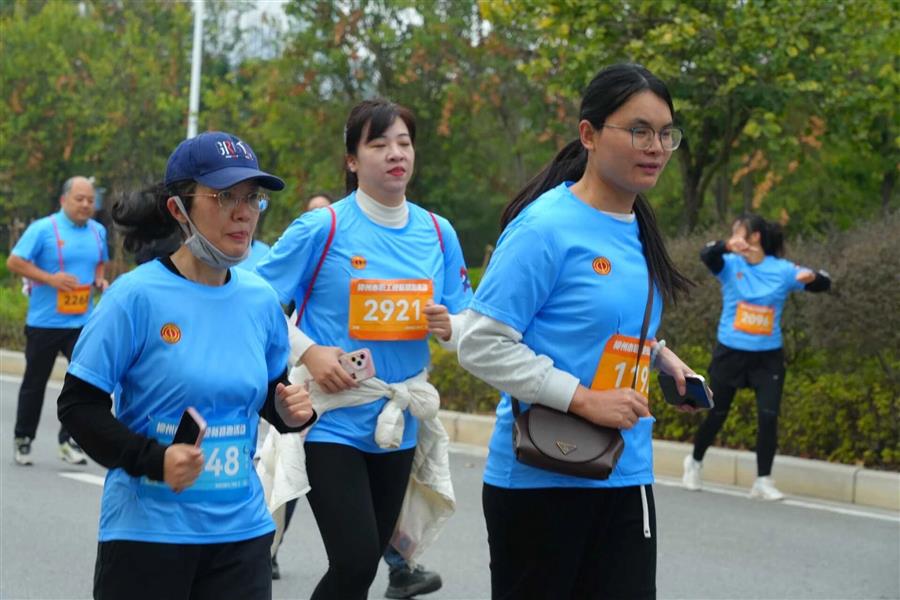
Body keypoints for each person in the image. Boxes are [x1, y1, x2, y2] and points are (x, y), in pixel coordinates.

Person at [457, 63, 698, 600]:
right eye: (638, 130)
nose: (655, 147)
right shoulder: (543, 228)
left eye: (666, 133)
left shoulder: (640, 228)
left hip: (625, 471)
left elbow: (597, 321)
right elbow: (480, 342)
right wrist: (584, 400)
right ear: (589, 134)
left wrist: (659, 357)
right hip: (542, 477)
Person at [56, 131, 315, 600]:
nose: (243, 212)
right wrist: (154, 460)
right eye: (224, 197)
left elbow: (267, 391)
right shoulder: (134, 298)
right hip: (148, 537)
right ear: (179, 209)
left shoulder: (260, 301)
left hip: (241, 534)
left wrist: (288, 411)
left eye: (252, 198)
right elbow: (78, 406)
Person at [255, 99, 471, 600]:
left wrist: (451, 325)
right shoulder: (322, 227)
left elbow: (469, 319)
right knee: (352, 559)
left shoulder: (438, 232)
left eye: (404, 143)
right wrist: (308, 351)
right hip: (331, 417)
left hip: (399, 419)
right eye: (379, 144)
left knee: (365, 565)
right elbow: (253, 301)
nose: (396, 154)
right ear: (352, 160)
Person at [683, 214, 831, 500]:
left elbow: (823, 283)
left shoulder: (782, 270)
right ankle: (694, 462)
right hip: (730, 353)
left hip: (767, 357)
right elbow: (706, 254)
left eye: (737, 232)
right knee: (717, 413)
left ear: (755, 237)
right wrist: (727, 245)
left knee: (768, 416)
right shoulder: (729, 265)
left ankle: (763, 481)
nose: (733, 236)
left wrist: (814, 278)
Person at [7, 176, 109, 466]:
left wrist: (99, 280)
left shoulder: (98, 231)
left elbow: (99, 262)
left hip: (82, 322)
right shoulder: (43, 229)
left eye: (90, 200)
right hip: (45, 323)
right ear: (64, 200)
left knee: (83, 384)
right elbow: (15, 262)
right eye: (80, 199)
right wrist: (50, 278)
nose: (86, 205)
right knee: (35, 383)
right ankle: (23, 438)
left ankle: (69, 441)